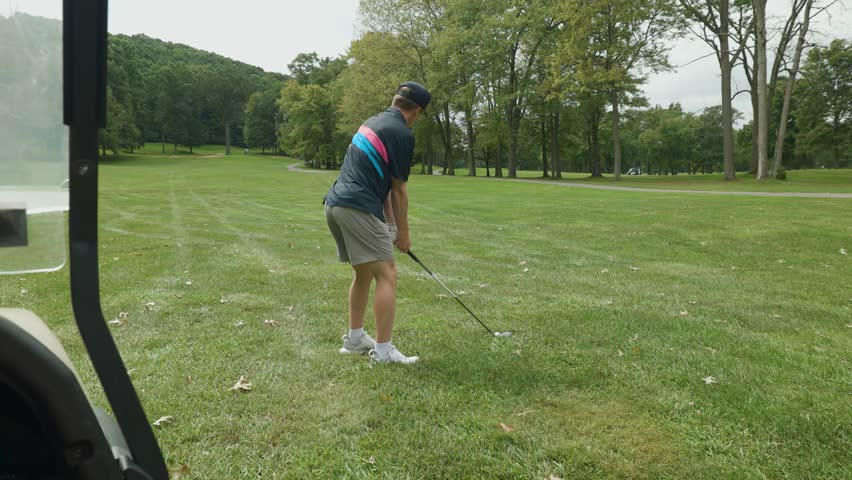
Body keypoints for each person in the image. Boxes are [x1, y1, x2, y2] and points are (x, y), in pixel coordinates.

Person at [323, 81, 430, 364]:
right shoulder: (401, 133)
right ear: (417, 111)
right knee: (387, 274)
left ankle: (355, 340)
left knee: (364, 273)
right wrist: (404, 233)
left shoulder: (373, 123)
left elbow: (383, 185)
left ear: (395, 101)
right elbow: (399, 189)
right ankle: (383, 352)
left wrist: (391, 227)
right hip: (357, 207)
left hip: (335, 205)